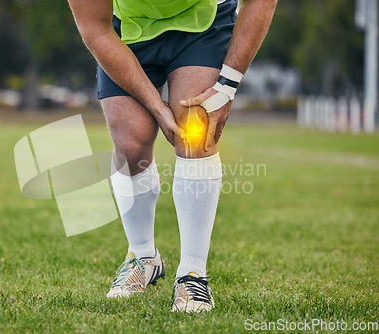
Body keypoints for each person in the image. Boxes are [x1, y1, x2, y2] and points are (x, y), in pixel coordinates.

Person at [67, 0, 277, 312]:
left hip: (201, 23)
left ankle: (193, 274)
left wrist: (227, 87)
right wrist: (156, 106)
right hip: (129, 31)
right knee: (130, 143)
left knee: (196, 130)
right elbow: (95, 27)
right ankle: (142, 256)